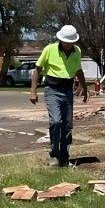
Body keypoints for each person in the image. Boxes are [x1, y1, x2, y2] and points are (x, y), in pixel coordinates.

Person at [30, 25, 88, 167]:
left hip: (68, 91)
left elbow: (78, 70)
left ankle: (64, 157)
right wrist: (33, 91)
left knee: (67, 125)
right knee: (56, 121)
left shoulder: (77, 51)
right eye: (65, 42)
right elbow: (38, 69)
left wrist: (85, 88)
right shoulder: (50, 49)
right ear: (61, 40)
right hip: (52, 90)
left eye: (70, 42)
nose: (68, 45)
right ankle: (55, 156)